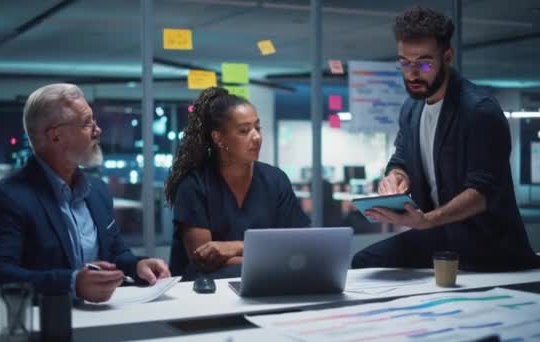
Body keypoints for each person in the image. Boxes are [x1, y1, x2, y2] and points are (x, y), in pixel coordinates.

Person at [352, 7, 540, 271]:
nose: (412, 73)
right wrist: (396, 177)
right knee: (365, 263)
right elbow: (401, 159)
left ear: (447, 57)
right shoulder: (411, 109)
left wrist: (428, 220)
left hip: (488, 244)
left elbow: (482, 193)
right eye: (404, 62)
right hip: (440, 236)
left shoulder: (479, 110)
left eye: (424, 63)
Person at [0, 84, 170, 302]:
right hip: (48, 325)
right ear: (56, 136)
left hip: (105, 317)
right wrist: (72, 284)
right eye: (87, 123)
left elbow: (116, 252)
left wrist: (137, 265)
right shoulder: (6, 198)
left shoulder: (97, 190)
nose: (98, 130)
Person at [165, 87, 310, 279]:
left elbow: (300, 244)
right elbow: (204, 259)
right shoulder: (194, 185)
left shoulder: (275, 180)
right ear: (218, 138)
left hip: (267, 286)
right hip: (205, 294)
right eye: (244, 131)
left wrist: (234, 247)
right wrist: (272, 256)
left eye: (257, 128)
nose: (256, 137)